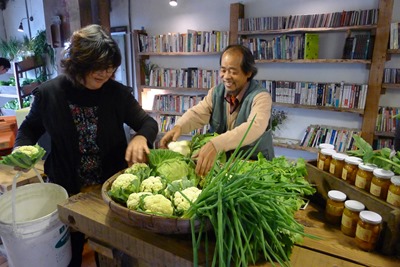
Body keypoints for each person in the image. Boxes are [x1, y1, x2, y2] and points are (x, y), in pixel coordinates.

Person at [13, 24, 158, 267]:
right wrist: (20, 149)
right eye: (99, 67)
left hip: (109, 190)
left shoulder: (116, 94)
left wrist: (141, 136)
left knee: (116, 253)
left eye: (111, 67)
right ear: (78, 63)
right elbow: (28, 129)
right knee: (69, 254)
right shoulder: (49, 94)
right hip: (66, 190)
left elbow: (147, 122)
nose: (106, 73)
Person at [160, 44, 274, 176]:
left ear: (248, 73)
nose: (226, 76)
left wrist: (216, 144)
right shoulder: (216, 93)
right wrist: (178, 127)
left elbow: (254, 127)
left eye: (233, 71)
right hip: (224, 168)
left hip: (253, 167)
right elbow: (198, 113)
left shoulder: (261, 97)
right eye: (223, 70)